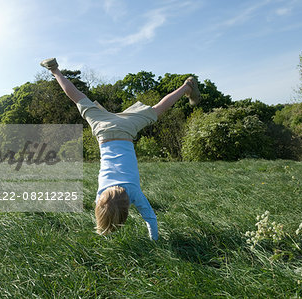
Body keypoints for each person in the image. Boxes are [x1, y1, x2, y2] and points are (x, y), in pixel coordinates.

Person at [41, 58, 201, 240]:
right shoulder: (100, 194)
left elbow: (150, 218)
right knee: (78, 98)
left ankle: (186, 87)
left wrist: (154, 242)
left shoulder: (133, 192)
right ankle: (55, 70)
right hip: (104, 129)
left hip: (125, 129)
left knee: (158, 110)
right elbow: (102, 211)